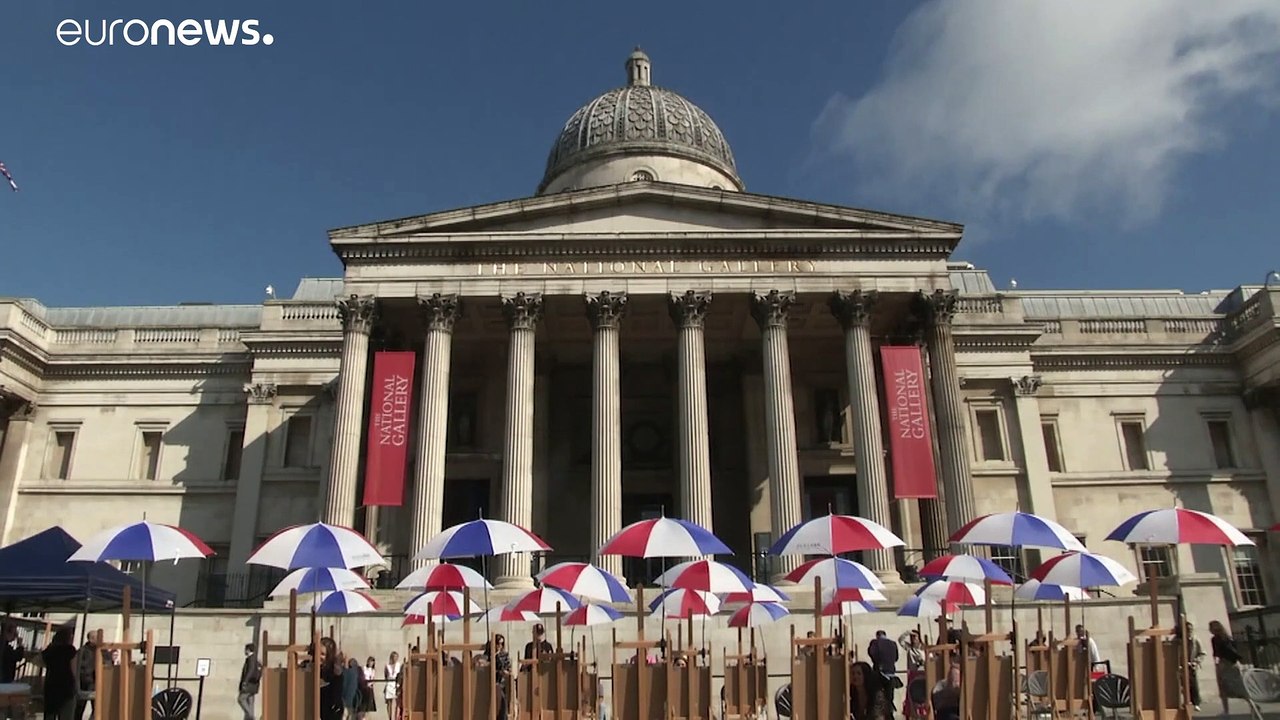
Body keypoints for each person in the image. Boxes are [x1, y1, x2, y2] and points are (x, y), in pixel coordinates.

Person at [1208, 620, 1264, 720]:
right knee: (1223, 689)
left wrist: (1221, 662)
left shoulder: (1224, 640)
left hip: (1228, 665)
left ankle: (1253, 705)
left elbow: (1228, 652)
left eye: (1211, 627)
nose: (1210, 630)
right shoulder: (1219, 639)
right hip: (1224, 664)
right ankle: (1226, 711)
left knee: (1239, 689)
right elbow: (1216, 653)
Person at [42, 627, 78, 720]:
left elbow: (39, 661)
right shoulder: (70, 650)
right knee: (66, 715)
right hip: (66, 685)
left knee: (50, 715)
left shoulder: (49, 651)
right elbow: (73, 669)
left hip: (51, 684)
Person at [867, 630, 900, 708]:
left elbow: (872, 653)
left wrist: (877, 661)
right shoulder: (893, 644)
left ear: (877, 635)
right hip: (891, 672)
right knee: (889, 697)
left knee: (877, 696)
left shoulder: (875, 642)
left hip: (879, 672)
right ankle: (890, 712)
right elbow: (896, 658)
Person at [1175, 621, 1204, 710]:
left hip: (1191, 665)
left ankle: (1196, 702)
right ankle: (1184, 701)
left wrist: (1196, 661)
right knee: (1181, 685)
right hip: (1180, 666)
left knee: (1193, 683)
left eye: (1191, 629)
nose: (1189, 631)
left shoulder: (1195, 640)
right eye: (1187, 629)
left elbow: (1202, 653)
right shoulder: (1177, 641)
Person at [317, 638, 345, 720]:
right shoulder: (309, 669)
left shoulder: (335, 673)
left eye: (322, 654)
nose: (319, 656)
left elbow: (335, 699)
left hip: (330, 714)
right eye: (317, 653)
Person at [485, 634, 511, 720]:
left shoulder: (504, 654)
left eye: (502, 644)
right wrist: (493, 656)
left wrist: (505, 672)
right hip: (489, 682)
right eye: (498, 643)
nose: (500, 646)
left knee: (502, 703)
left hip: (501, 683)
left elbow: (508, 668)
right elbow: (483, 664)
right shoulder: (488, 654)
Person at [75, 631, 99, 720]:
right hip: (84, 683)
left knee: (97, 709)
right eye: (96, 637)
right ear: (91, 639)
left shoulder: (101, 650)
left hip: (97, 683)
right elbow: (78, 667)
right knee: (79, 708)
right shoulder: (82, 651)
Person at [237, 643, 262, 720]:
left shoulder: (250, 659)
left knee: (241, 699)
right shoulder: (255, 659)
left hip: (249, 684)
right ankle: (249, 717)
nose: (244, 651)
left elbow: (250, 671)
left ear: (248, 650)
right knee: (250, 702)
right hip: (254, 685)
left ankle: (251, 717)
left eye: (245, 649)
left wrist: (245, 681)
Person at [383, 651, 401, 720]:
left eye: (396, 657)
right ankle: (390, 717)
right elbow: (385, 675)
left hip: (395, 684)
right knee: (389, 703)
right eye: (394, 657)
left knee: (394, 702)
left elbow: (400, 675)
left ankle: (394, 717)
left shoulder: (398, 665)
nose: (395, 659)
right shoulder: (387, 666)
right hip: (389, 683)